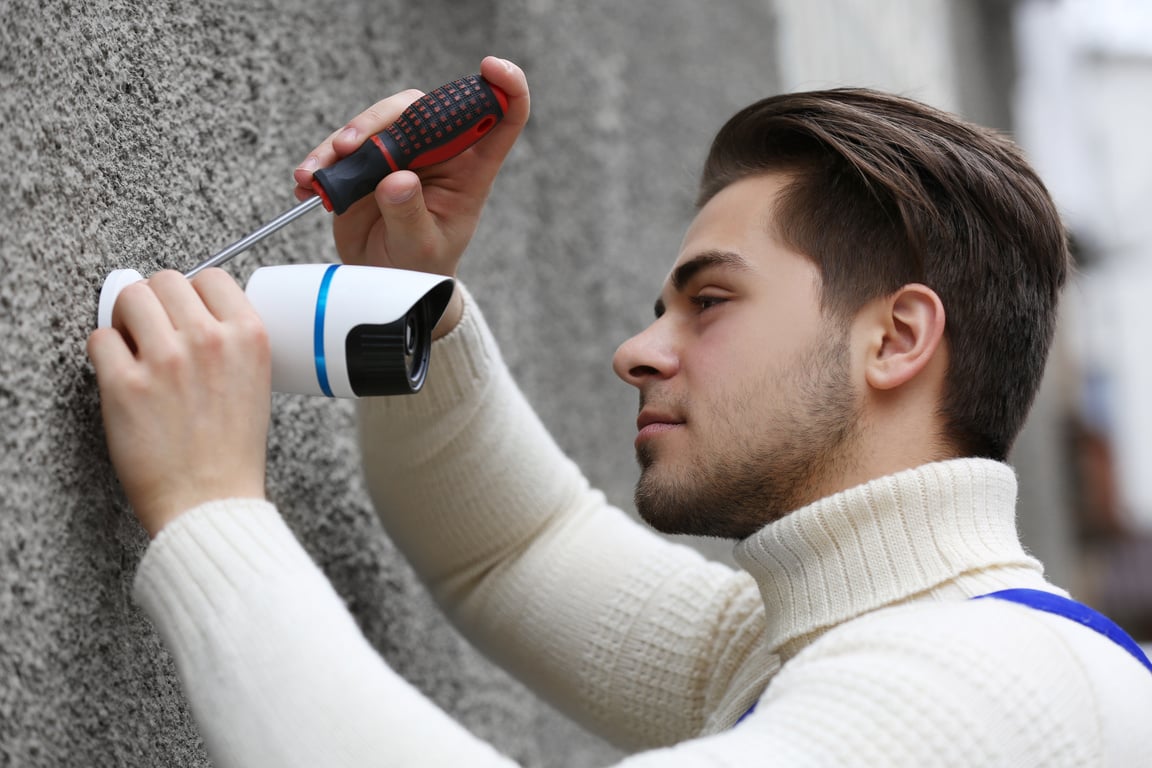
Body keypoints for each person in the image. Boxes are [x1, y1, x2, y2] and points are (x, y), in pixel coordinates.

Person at [87, 56, 1152, 767]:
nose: (636, 349)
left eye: (710, 301)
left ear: (897, 339)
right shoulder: (832, 646)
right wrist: (404, 308)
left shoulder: (973, 692)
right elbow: (513, 553)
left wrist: (208, 505)